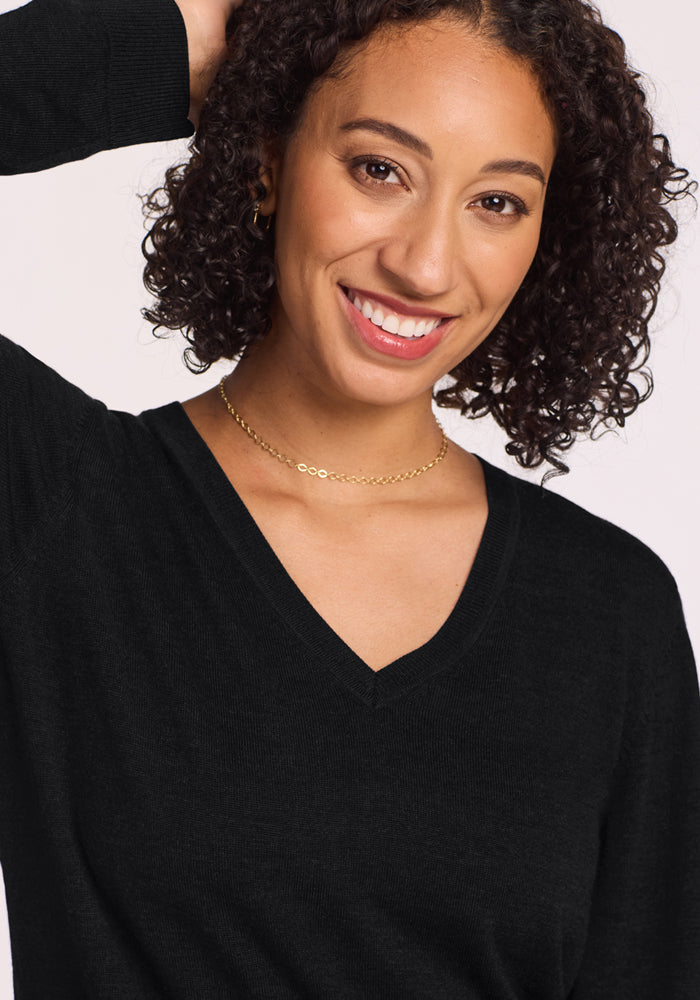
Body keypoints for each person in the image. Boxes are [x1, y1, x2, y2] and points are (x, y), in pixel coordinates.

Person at [0, 0, 698, 997]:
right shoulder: (54, 507)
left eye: (496, 202)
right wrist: (165, 48)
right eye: (380, 169)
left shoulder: (607, 609)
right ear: (267, 161)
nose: (423, 263)